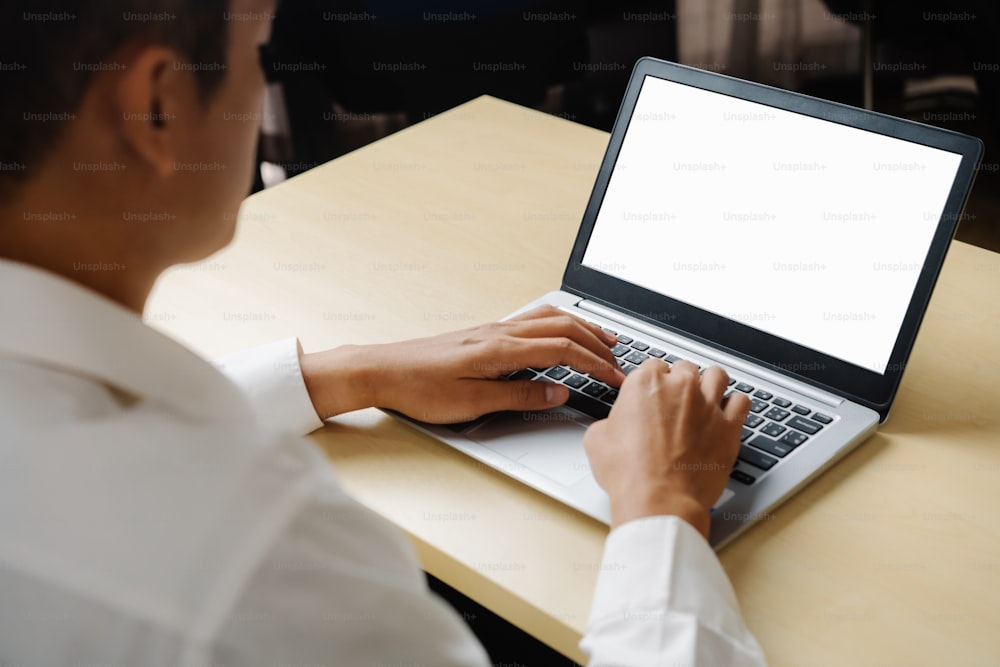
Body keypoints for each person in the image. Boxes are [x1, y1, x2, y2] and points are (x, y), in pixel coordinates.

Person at [0, 1, 767, 665]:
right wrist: (662, 504)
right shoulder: (254, 559)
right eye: (254, 55)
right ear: (156, 109)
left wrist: (348, 373)